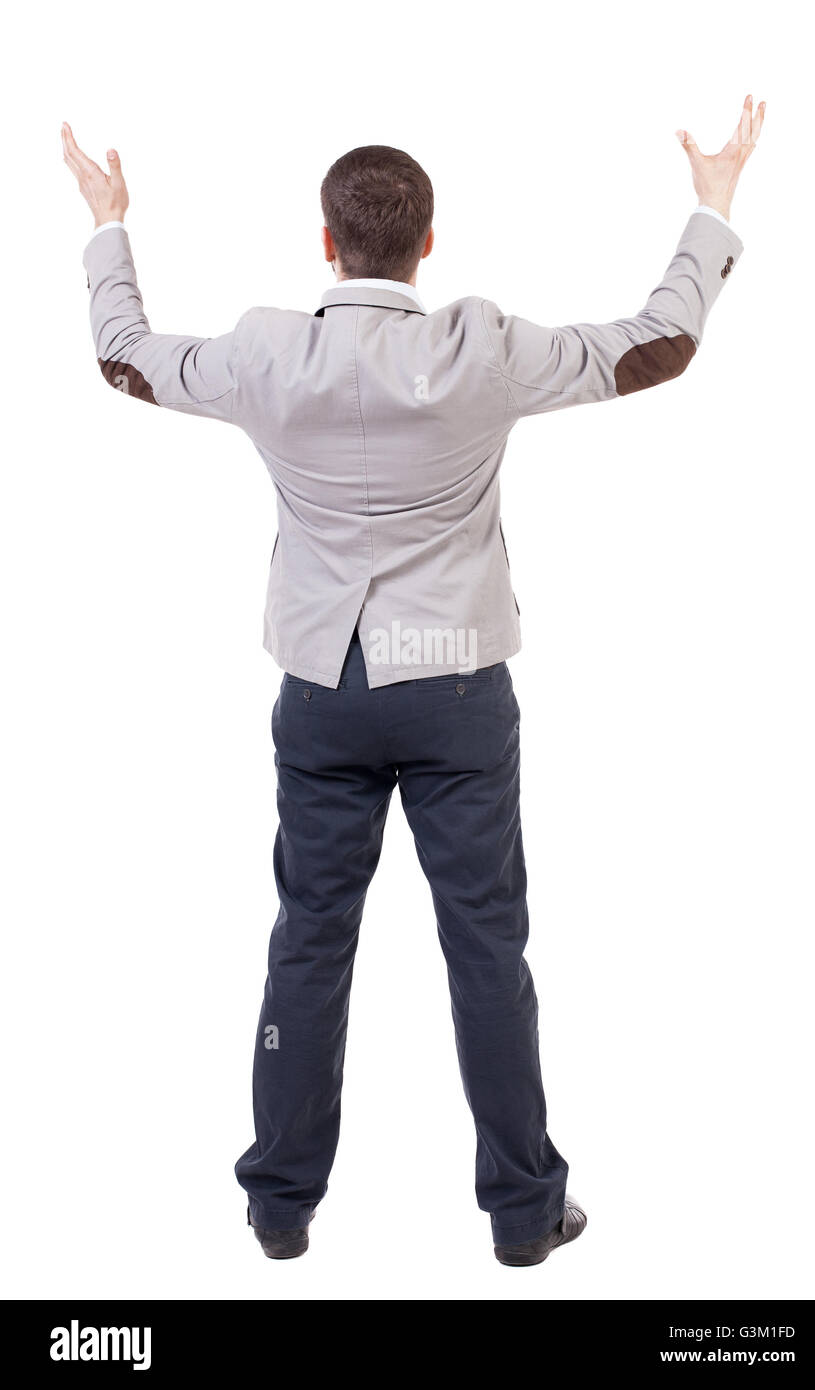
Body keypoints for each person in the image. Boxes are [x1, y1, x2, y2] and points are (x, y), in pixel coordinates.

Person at [62, 96, 764, 1267]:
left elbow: (124, 358)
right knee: (485, 944)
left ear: (326, 243)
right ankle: (524, 1215)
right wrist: (712, 203)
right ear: (426, 244)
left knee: (308, 940)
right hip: (455, 691)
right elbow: (657, 344)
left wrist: (107, 226)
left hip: (323, 692)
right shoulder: (479, 346)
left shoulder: (267, 349)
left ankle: (280, 1208)